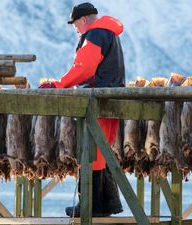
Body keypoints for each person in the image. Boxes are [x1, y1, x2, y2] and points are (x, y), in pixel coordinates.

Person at [38, 2, 125, 217]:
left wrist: (58, 85)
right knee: (102, 153)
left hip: (97, 100)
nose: (75, 28)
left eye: (75, 23)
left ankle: (90, 206)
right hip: (111, 99)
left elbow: (84, 68)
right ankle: (108, 204)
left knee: (90, 152)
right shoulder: (110, 34)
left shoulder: (95, 34)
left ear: (83, 19)